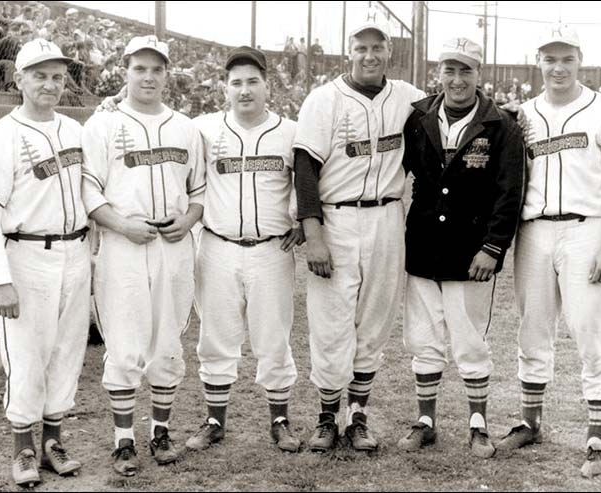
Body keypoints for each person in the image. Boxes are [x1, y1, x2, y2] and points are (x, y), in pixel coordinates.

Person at [496, 24, 601, 479]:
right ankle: (530, 422)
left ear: (580, 60)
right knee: (532, 327)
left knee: (591, 334)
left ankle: (598, 440)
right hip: (534, 230)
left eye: (566, 58)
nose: (558, 67)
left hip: (587, 229)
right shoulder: (523, 115)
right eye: (549, 58)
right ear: (538, 62)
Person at [293, 22, 426, 452]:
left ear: (390, 53)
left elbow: (454, 111)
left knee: (374, 321)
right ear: (348, 53)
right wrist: (313, 233)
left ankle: (359, 415)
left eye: (377, 48)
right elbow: (305, 167)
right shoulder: (324, 99)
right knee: (332, 323)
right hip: (338, 218)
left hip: (387, 215)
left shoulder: (408, 97)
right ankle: (327, 416)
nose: (369, 56)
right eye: (361, 48)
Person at [81, 35, 206, 476]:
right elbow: (88, 190)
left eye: (157, 68)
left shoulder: (187, 128)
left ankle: (160, 432)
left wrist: (189, 220)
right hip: (123, 243)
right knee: (124, 340)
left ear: (167, 74)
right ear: (125, 70)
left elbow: (200, 190)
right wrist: (120, 225)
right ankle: (123, 441)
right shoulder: (101, 125)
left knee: (168, 341)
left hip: (172, 244)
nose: (148, 76)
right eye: (140, 68)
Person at [397, 37, 525, 458]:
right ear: (438, 72)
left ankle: (478, 424)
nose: (456, 79)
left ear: (479, 74)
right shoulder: (417, 117)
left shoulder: (501, 124)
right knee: (424, 337)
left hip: (471, 251)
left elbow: (510, 192)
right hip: (423, 246)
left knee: (469, 341)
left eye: (465, 70)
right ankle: (426, 422)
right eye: (449, 69)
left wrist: (492, 247)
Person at [0, 38, 89, 488]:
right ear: (18, 79)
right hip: (24, 254)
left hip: (75, 251)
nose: (50, 84)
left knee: (66, 350)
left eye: (57, 76)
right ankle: (21, 447)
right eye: (39, 75)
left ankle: (53, 442)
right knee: (25, 355)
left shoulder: (76, 131)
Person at [185, 46, 304, 453]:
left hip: (271, 249)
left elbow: (309, 184)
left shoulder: (290, 131)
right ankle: (215, 420)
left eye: (253, 81)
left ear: (268, 85)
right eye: (236, 82)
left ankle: (281, 421)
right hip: (218, 246)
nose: (245, 90)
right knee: (216, 337)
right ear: (225, 87)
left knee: (273, 337)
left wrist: (303, 223)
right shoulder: (202, 128)